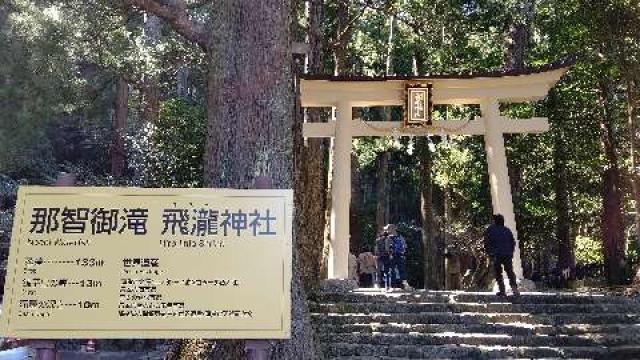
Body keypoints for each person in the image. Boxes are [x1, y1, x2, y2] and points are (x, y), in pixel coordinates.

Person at [483, 214, 519, 296]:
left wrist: (489, 253)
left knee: (498, 273)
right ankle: (515, 289)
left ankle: (502, 290)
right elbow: (513, 242)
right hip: (507, 254)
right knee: (510, 272)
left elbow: (486, 242)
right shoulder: (507, 230)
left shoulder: (490, 230)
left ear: (494, 221)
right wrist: (511, 252)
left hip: (496, 254)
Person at [384, 224, 411, 290]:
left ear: (391, 229)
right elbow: (405, 246)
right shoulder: (400, 236)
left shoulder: (388, 238)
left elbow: (387, 248)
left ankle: (392, 286)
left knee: (391, 270)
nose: (387, 231)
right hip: (400, 255)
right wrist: (402, 252)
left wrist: (389, 254)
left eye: (387, 229)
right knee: (402, 270)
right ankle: (404, 285)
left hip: (392, 256)